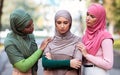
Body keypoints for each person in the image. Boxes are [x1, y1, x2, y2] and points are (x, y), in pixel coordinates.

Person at [4, 9, 51, 75]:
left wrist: (47, 45)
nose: (32, 27)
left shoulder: (30, 35)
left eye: (32, 24)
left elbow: (34, 56)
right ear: (18, 28)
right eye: (27, 26)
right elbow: (23, 67)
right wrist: (41, 49)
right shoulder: (10, 42)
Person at [76, 3, 114, 75]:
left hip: (98, 72)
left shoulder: (105, 36)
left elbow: (109, 64)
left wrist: (87, 55)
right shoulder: (85, 36)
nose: (87, 18)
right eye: (87, 14)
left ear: (99, 19)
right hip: (85, 71)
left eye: (92, 16)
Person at [42, 10, 82, 75]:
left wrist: (52, 63)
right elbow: (45, 63)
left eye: (65, 23)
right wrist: (69, 63)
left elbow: (77, 63)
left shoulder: (77, 40)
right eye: (59, 22)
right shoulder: (50, 41)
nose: (62, 26)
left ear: (70, 23)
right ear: (55, 24)